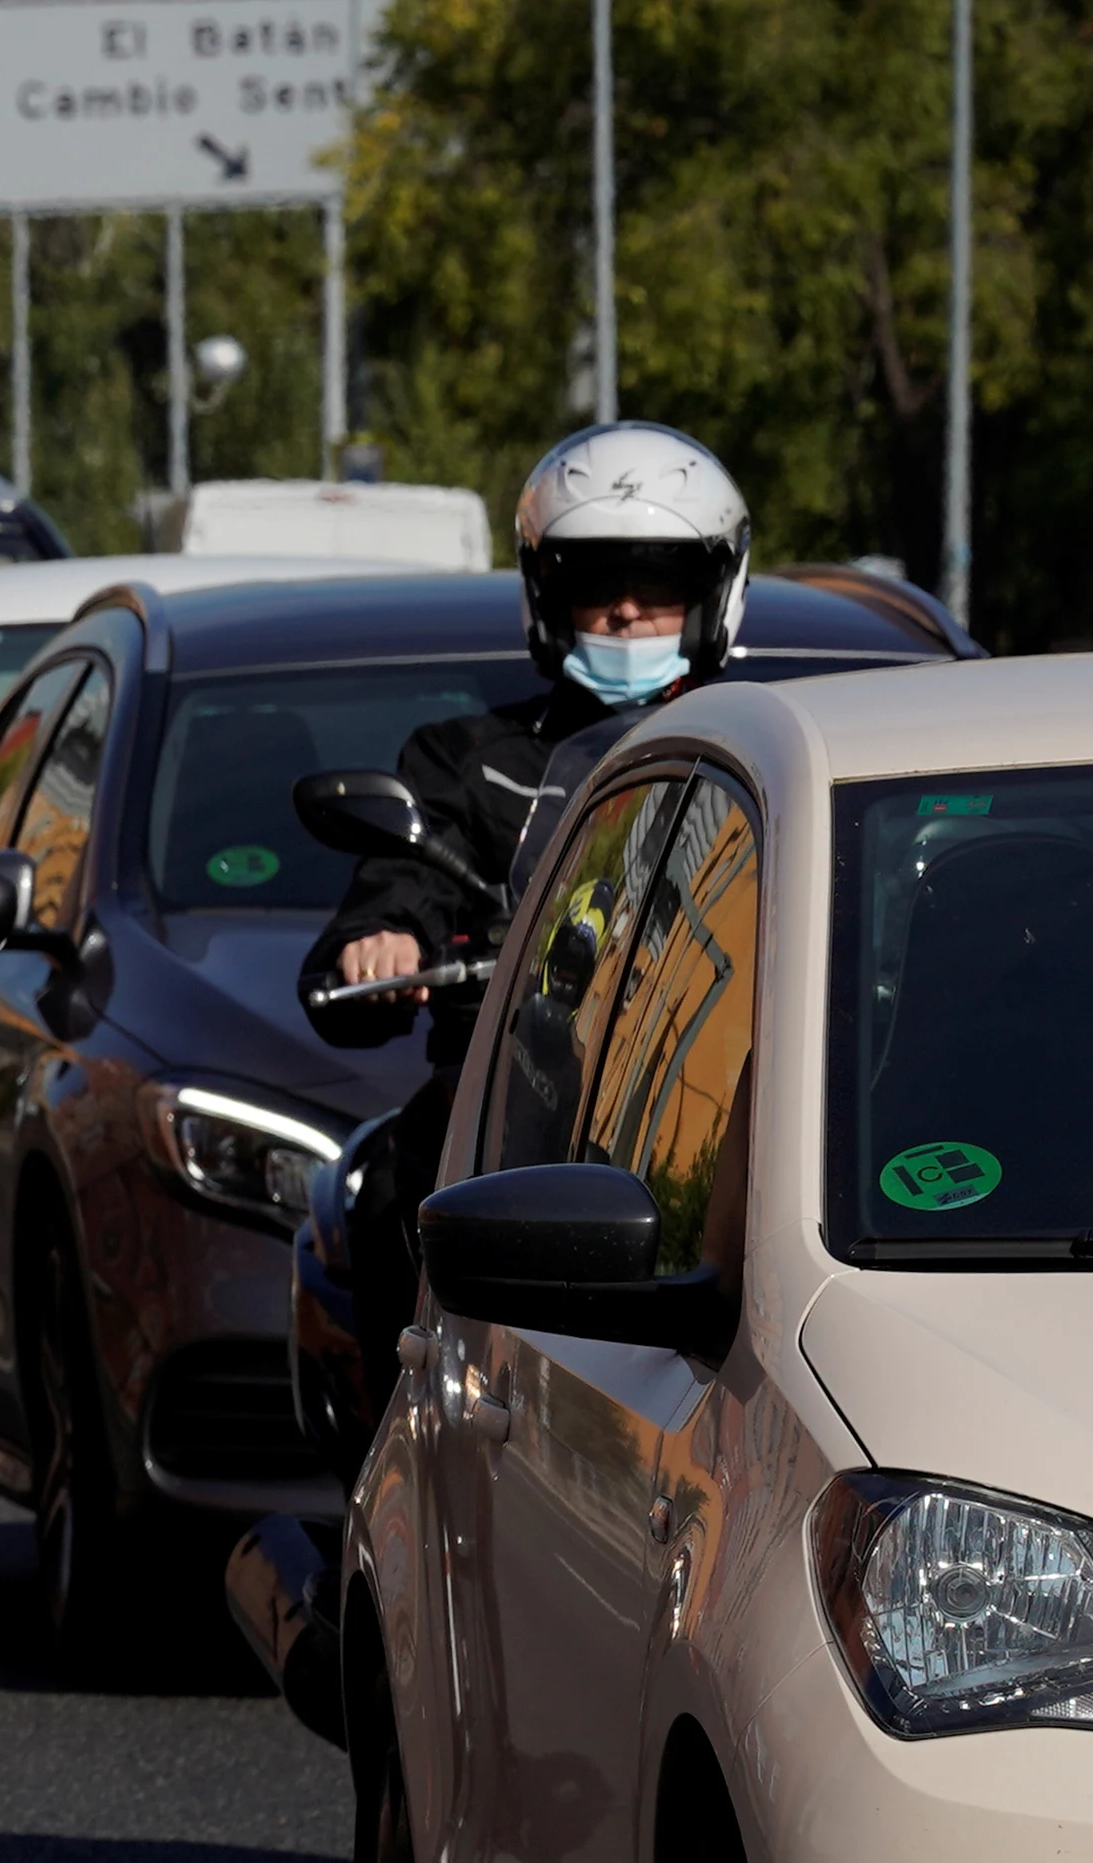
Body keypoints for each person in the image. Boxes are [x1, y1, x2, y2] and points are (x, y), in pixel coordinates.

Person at [292, 420, 748, 1432]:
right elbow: (399, 882)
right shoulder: (469, 760)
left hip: (720, 1098)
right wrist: (391, 941)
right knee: (388, 1182)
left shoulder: (768, 747)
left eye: (656, 582)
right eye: (597, 584)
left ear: (714, 592)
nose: (625, 609)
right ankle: (402, 1469)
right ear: (547, 598)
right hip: (517, 1112)